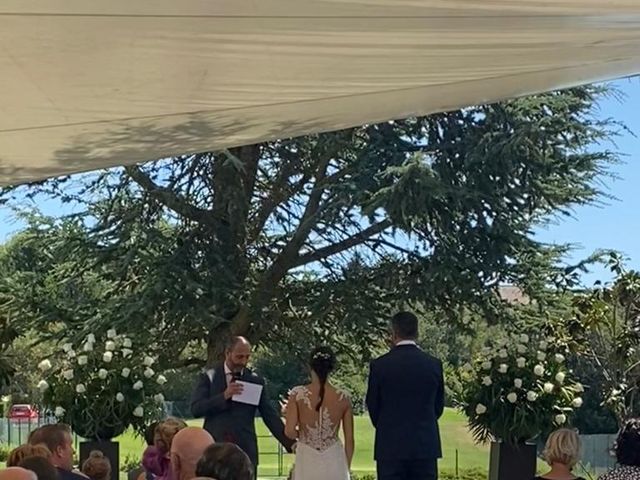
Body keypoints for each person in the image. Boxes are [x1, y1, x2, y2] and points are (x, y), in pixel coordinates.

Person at [191, 336, 294, 470]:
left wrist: (290, 443)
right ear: (227, 353)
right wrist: (224, 396)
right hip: (215, 452)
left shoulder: (255, 381)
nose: (243, 361)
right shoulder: (209, 377)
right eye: (239, 357)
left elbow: (270, 416)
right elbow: (196, 409)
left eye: (247, 357)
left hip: (246, 453)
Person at [366, 311, 445, 480]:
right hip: (425, 447)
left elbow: (373, 406)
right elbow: (438, 407)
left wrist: (387, 426)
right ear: (417, 333)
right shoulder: (433, 365)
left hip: (390, 448)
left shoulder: (380, 366)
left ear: (393, 333)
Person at [284, 346, 354, 480]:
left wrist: (305, 433)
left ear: (310, 367)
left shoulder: (297, 394)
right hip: (334, 456)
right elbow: (350, 440)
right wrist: (346, 468)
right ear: (331, 368)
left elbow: (289, 431)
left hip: (307, 455)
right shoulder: (343, 398)